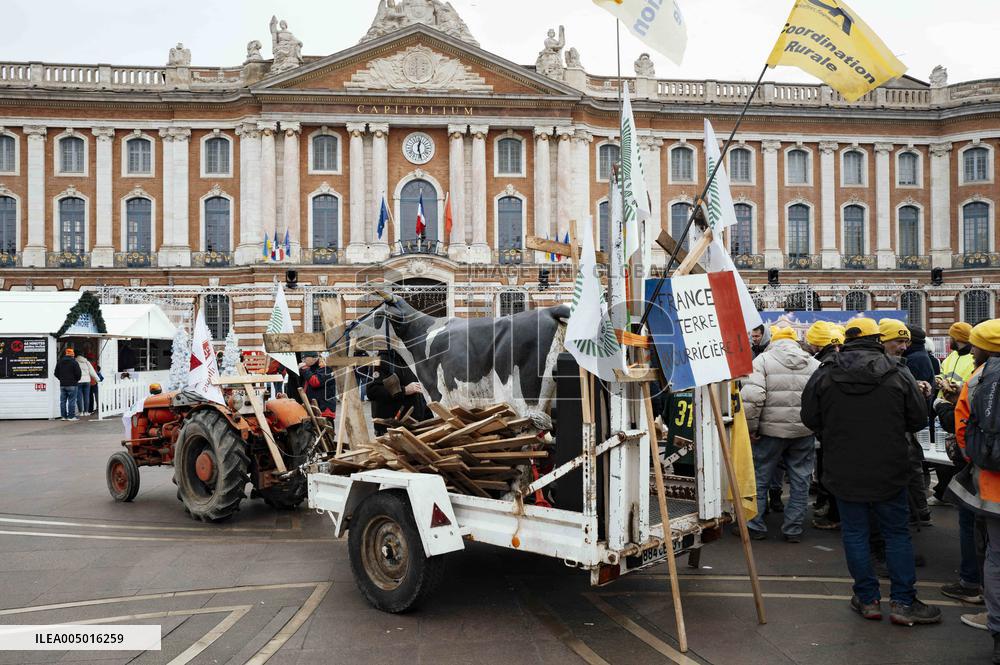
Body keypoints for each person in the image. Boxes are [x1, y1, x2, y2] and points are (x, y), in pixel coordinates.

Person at [801, 317, 939, 626]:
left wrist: (834, 432)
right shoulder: (898, 372)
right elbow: (917, 418)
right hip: (890, 465)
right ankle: (904, 603)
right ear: (877, 339)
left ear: (847, 339)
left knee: (855, 533)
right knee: (897, 533)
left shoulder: (825, 373)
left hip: (843, 466)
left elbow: (809, 416)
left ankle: (868, 599)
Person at [946, 319, 1000, 662]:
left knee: (996, 557)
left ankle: (997, 630)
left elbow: (963, 432)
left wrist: (974, 460)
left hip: (993, 486)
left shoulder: (978, 379)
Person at [740, 325, 819, 542]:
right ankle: (793, 528)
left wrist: (752, 428)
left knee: (760, 477)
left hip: (769, 431)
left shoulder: (762, 362)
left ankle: (754, 525)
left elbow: (753, 398)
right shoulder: (814, 363)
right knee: (800, 480)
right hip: (803, 431)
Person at [880, 319, 933, 527]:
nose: (903, 347)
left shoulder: (903, 367)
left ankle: (917, 512)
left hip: (901, 435)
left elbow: (916, 413)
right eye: (898, 341)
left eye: (906, 342)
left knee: (912, 472)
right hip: (886, 437)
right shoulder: (876, 368)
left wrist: (920, 392)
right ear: (881, 340)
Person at [804, 321, 844, 530]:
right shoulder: (832, 361)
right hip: (835, 429)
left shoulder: (823, 364)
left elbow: (813, 403)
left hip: (829, 431)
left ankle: (834, 514)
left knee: (831, 474)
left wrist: (818, 428)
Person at [366, 348, 427, 435]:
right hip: (391, 429)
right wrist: (404, 390)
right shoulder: (380, 361)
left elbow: (418, 391)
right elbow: (372, 391)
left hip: (414, 426)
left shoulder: (408, 360)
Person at [939, 321, 976, 398]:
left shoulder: (974, 358)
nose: (949, 340)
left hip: (959, 403)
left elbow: (972, 385)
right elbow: (942, 373)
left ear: (957, 338)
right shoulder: (952, 355)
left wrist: (950, 386)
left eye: (951, 337)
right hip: (943, 402)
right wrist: (938, 379)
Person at [299, 352, 336, 418]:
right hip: (314, 409)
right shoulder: (310, 368)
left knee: (326, 428)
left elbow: (316, 382)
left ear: (314, 358)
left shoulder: (325, 367)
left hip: (324, 409)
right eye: (302, 359)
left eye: (305, 358)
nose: (303, 361)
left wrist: (304, 369)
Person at [54, 347, 82, 421]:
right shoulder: (74, 362)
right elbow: (78, 373)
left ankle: (63, 416)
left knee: (63, 401)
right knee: (71, 401)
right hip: (72, 384)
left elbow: (56, 373)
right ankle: (71, 416)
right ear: (72, 355)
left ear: (66, 354)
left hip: (62, 384)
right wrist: (76, 379)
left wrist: (61, 379)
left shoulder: (60, 362)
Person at [75, 351, 98, 417]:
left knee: (79, 397)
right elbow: (92, 372)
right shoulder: (87, 362)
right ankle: (86, 412)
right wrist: (98, 379)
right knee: (86, 397)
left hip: (78, 381)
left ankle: (81, 412)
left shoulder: (75, 362)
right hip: (87, 381)